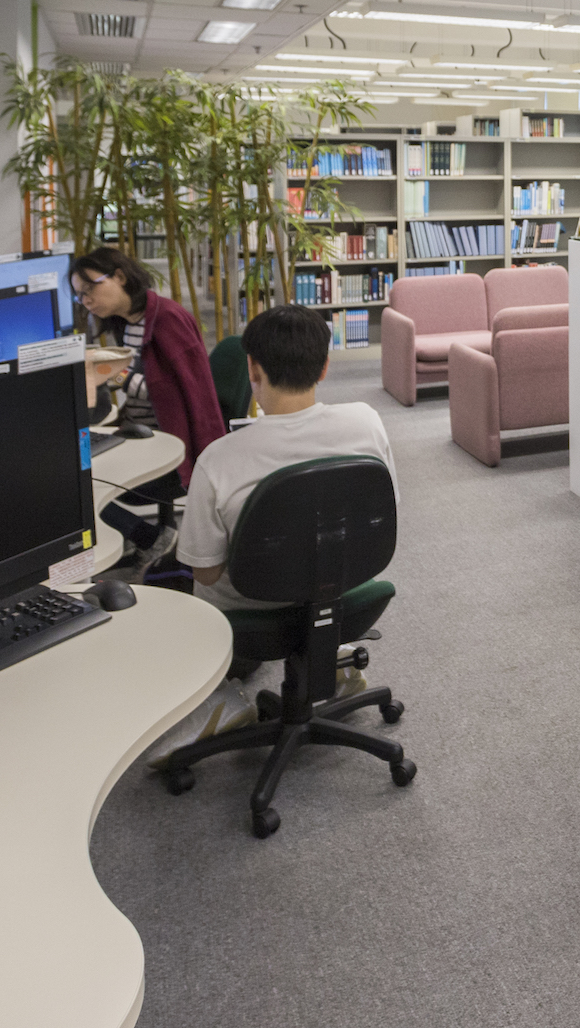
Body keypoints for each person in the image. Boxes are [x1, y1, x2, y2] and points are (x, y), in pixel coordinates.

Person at [150, 305, 397, 765]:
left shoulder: (220, 458)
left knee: (168, 587)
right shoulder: (368, 421)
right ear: (324, 366)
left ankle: (219, 698)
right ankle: (332, 659)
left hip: (251, 615)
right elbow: (385, 518)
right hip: (343, 591)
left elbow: (204, 572)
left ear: (253, 368)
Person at [74, 246, 226, 575]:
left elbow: (175, 393)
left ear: (119, 277)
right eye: (79, 295)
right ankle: (140, 535)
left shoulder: (167, 319)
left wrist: (113, 373)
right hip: (140, 431)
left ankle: (147, 537)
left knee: (78, 482)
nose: (86, 300)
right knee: (74, 462)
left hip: (171, 442)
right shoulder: (122, 324)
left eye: (90, 288)